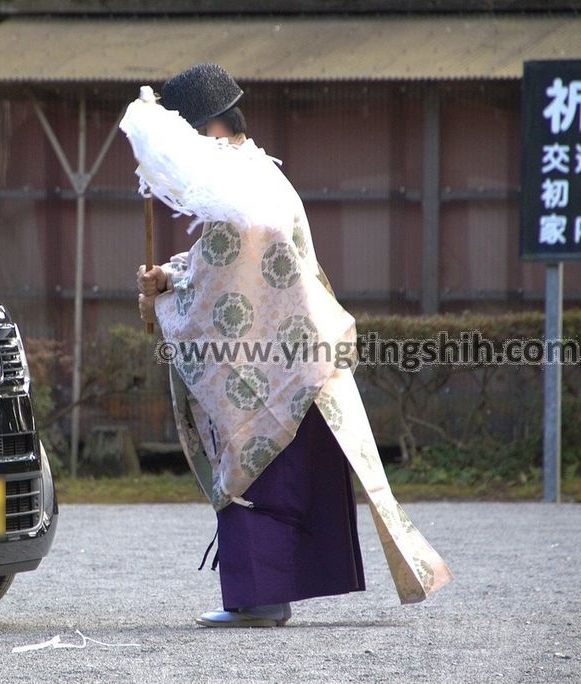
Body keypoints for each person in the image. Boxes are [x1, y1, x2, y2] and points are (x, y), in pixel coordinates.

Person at [121, 64, 451, 627]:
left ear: (211, 131)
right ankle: (266, 595)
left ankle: (260, 598)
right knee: (288, 471)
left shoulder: (242, 189)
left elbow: (227, 277)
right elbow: (223, 265)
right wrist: (175, 278)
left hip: (265, 362)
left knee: (254, 472)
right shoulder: (260, 174)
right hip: (292, 357)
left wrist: (169, 299)